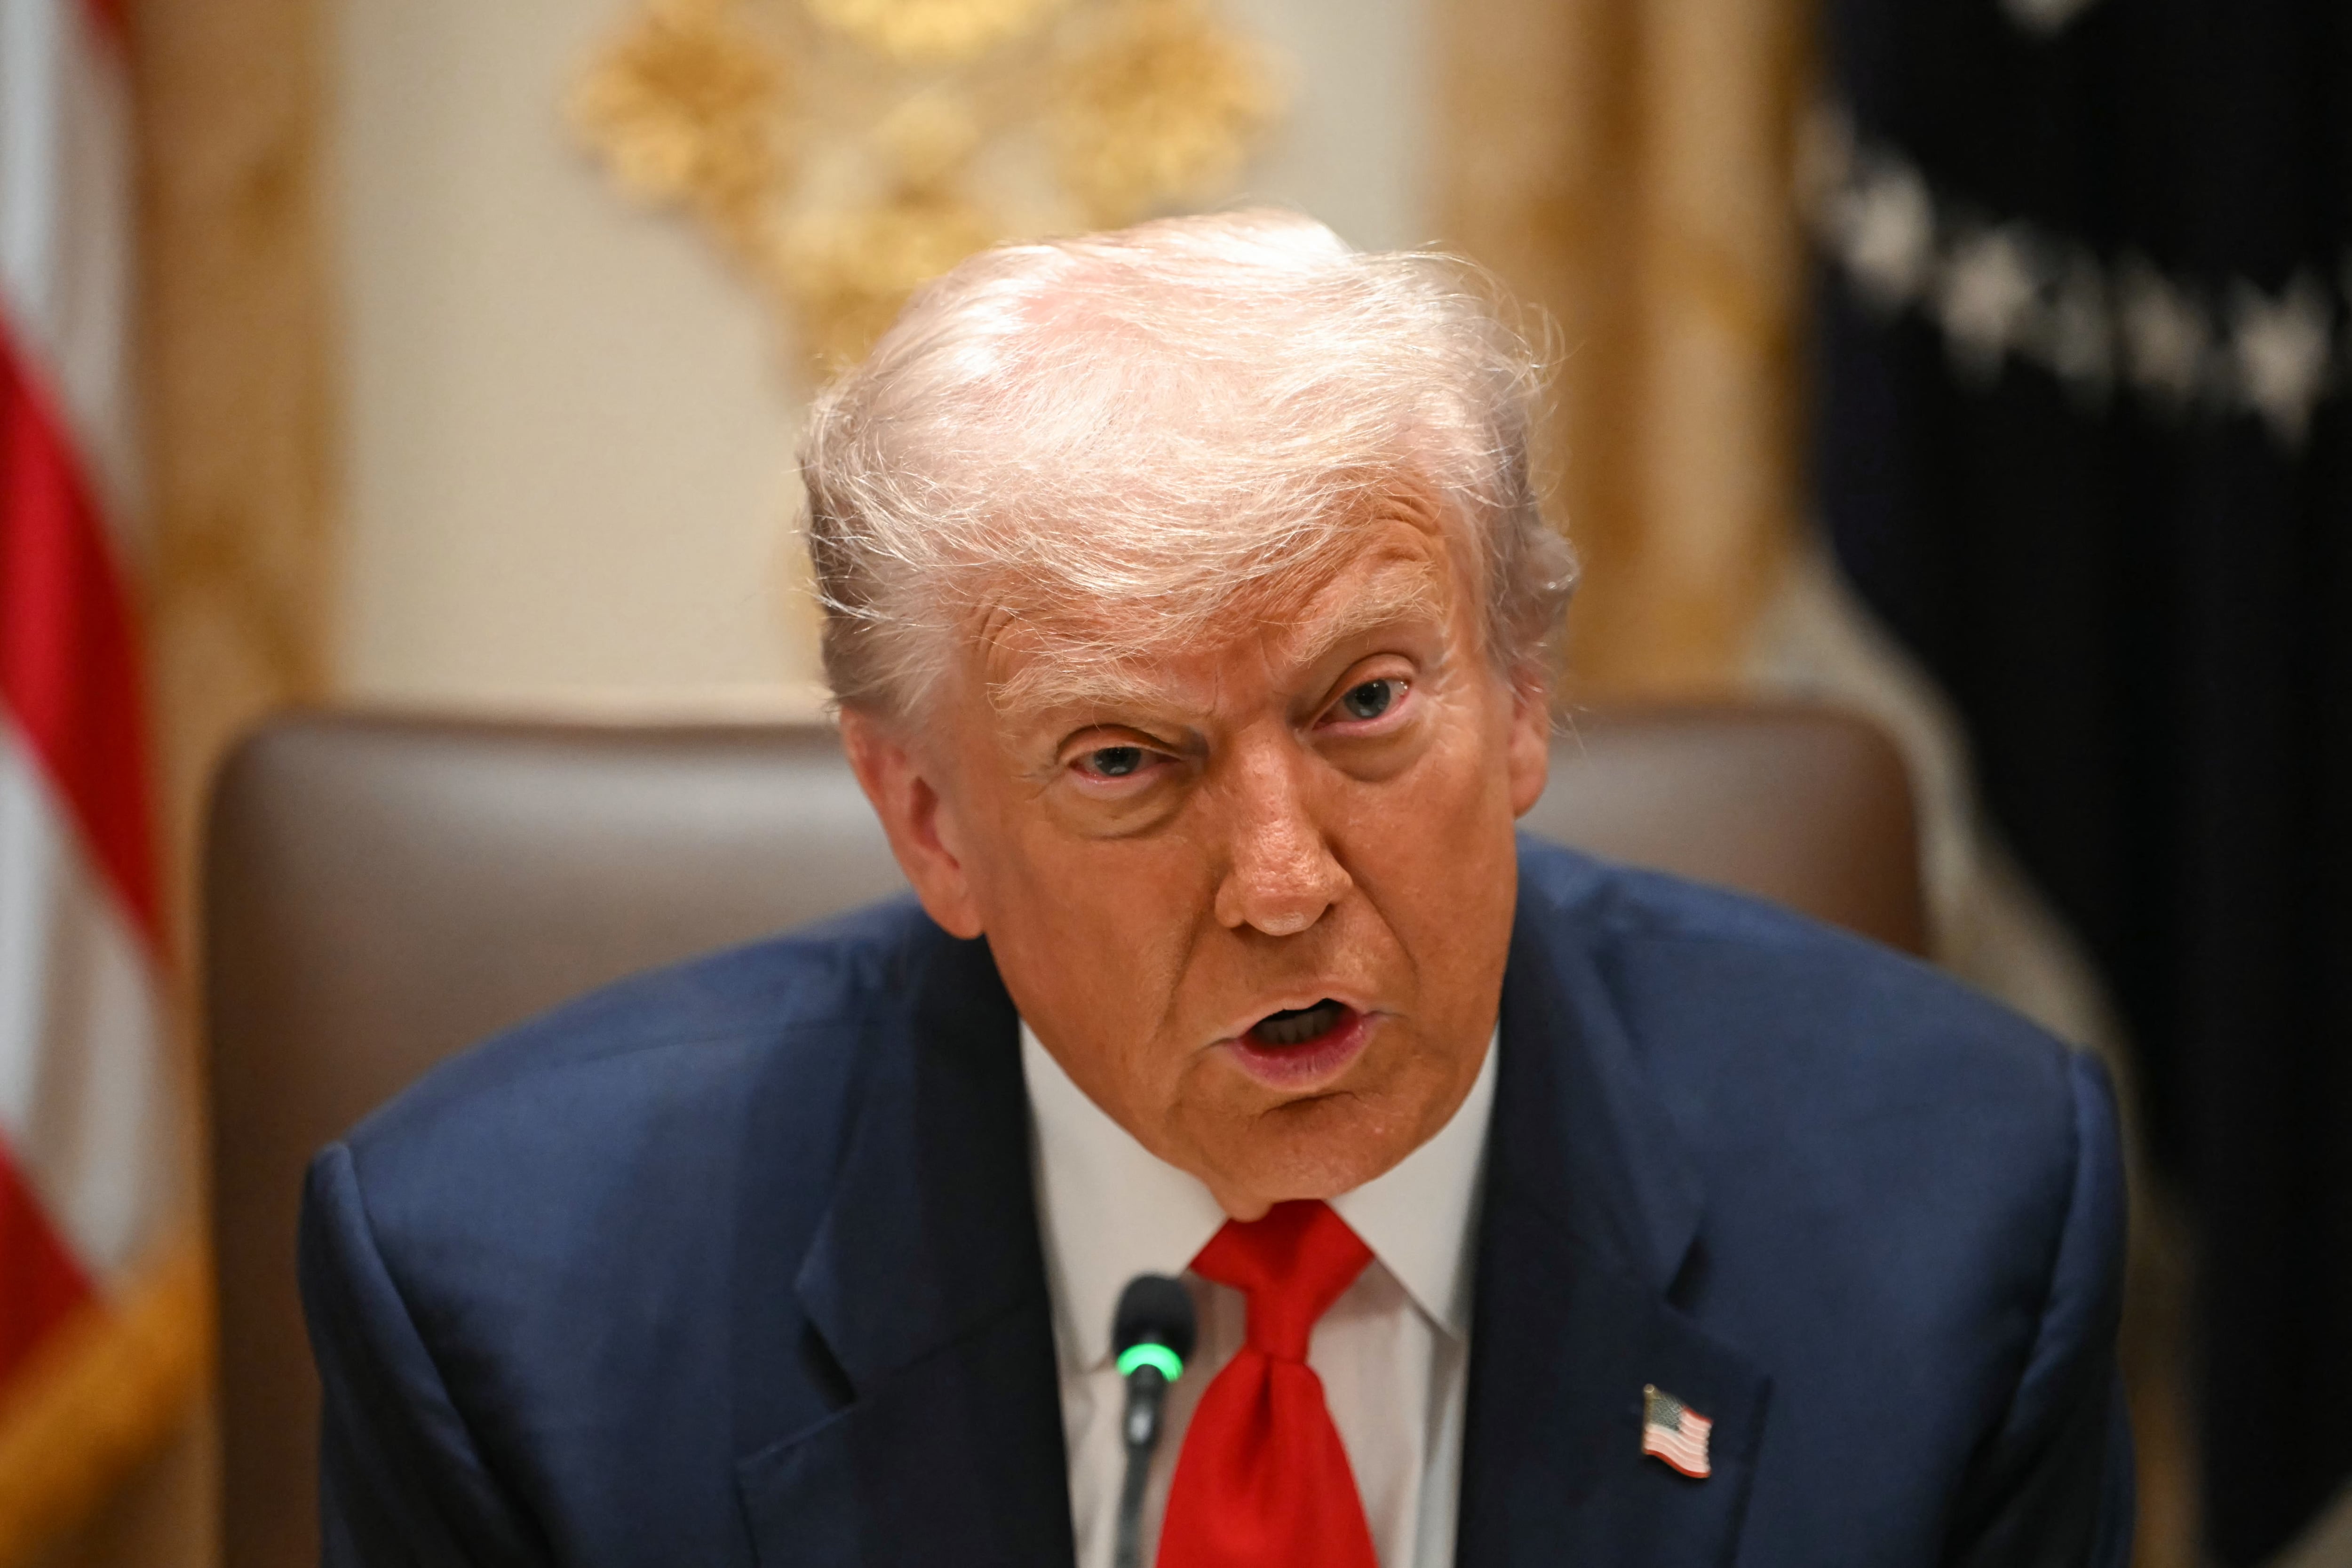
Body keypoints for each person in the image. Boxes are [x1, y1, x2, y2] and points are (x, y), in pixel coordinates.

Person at [298, 210, 2132, 1567]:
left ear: (1514, 700)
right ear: (927, 819)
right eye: (1122, 761)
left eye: (1362, 705)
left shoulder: (1957, 1214)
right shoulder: (511, 1310)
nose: (1278, 881)